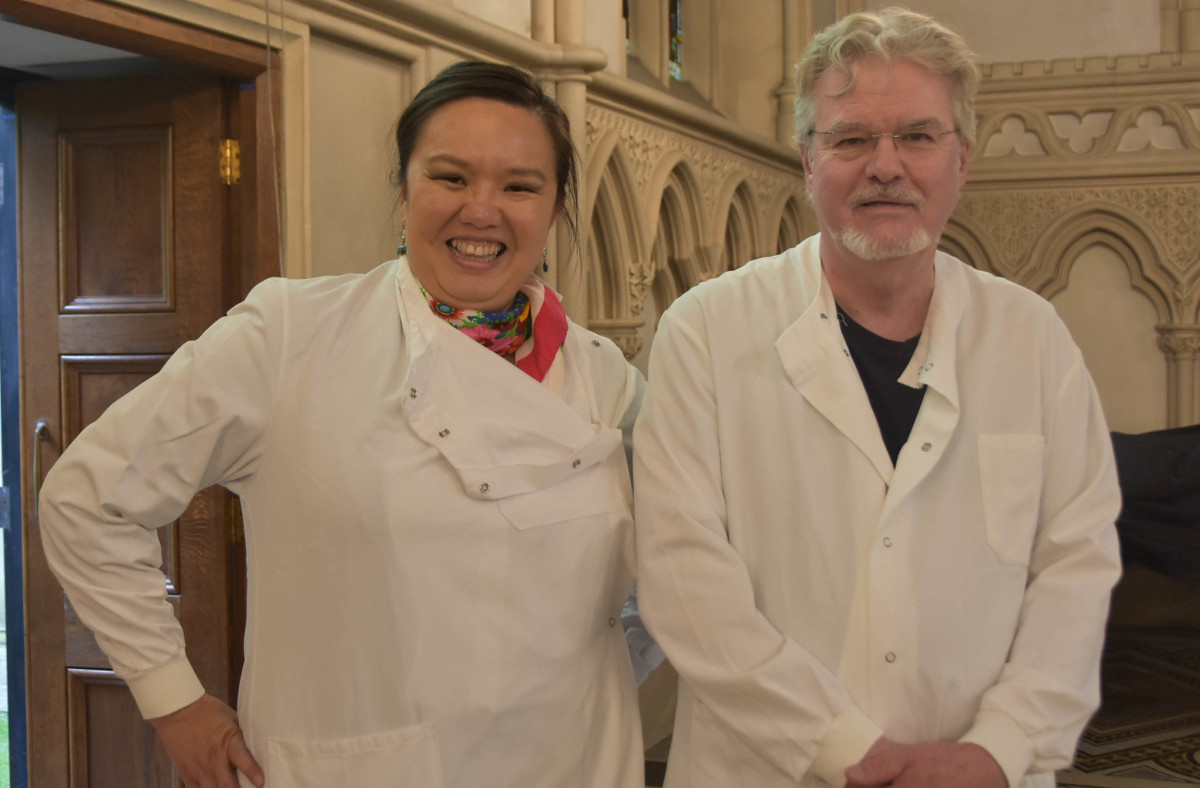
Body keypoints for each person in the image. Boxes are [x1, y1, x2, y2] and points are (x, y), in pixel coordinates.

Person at [39, 61, 648, 788]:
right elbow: (85, 500)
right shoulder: (291, 336)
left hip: (578, 760)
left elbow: (667, 570)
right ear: (403, 191)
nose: (481, 210)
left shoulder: (607, 376)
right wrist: (173, 700)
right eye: (449, 178)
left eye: (520, 185)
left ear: (552, 209)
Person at [632, 9, 1122, 788]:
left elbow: (1076, 562)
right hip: (769, 767)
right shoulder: (705, 332)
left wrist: (1001, 746)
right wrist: (838, 747)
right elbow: (683, 577)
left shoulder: (1033, 339)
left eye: (918, 137)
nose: (885, 165)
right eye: (851, 138)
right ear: (807, 159)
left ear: (962, 160)